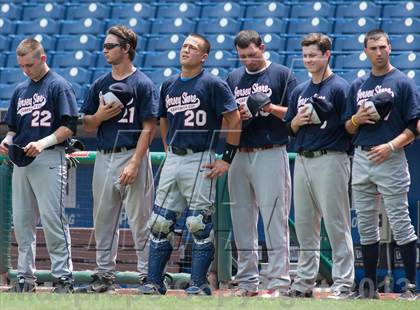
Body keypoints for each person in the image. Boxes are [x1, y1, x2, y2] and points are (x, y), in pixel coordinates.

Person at [138, 33, 241, 296]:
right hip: (174, 157)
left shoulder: (213, 84)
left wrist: (226, 158)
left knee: (198, 223)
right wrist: (169, 148)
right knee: (160, 222)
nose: (185, 50)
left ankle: (198, 283)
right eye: (184, 46)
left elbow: (234, 118)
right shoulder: (169, 84)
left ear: (204, 56)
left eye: (192, 48)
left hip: (200, 157)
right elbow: (163, 119)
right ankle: (153, 281)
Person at [80, 25, 159, 293]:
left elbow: (150, 127)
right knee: (102, 221)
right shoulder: (99, 84)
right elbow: (87, 125)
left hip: (131, 153)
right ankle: (105, 276)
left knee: (140, 220)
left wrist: (136, 162)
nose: (105, 50)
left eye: (110, 46)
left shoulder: (143, 83)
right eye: (104, 46)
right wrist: (100, 116)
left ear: (126, 49)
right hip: (104, 156)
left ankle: (148, 276)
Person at [344, 29, 420, 300]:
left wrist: (391, 146)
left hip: (390, 155)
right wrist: (356, 120)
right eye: (373, 48)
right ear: (365, 51)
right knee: (364, 224)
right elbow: (347, 128)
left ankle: (412, 284)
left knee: (400, 221)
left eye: (382, 47)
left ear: (390, 47)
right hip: (362, 157)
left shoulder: (403, 82)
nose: (378, 52)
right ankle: (368, 287)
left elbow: (415, 126)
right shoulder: (358, 85)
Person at [0, 38, 78, 293]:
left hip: (49, 157)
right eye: (21, 66)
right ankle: (25, 278)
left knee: (53, 219)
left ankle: (64, 277)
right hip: (21, 159)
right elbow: (13, 129)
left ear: (42, 59)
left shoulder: (58, 85)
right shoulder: (20, 90)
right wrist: (6, 140)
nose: (25, 70)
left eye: (29, 65)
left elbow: (69, 127)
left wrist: (43, 143)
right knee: (22, 222)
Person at [225, 30, 297, 297]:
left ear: (262, 48)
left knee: (274, 220)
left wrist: (267, 107)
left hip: (270, 150)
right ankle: (247, 282)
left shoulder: (281, 74)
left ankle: (278, 282)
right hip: (240, 153)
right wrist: (239, 114)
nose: (248, 60)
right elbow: (225, 117)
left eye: (252, 54)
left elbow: (295, 114)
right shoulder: (233, 78)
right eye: (242, 56)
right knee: (242, 221)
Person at [285, 33, 354, 299]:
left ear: (327, 55)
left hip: (331, 157)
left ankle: (343, 284)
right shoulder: (299, 91)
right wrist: (298, 121)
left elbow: (349, 126)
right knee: (304, 226)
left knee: (336, 224)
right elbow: (289, 127)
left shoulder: (340, 87)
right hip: (303, 159)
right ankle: (303, 283)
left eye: (313, 55)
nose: (308, 60)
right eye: (305, 55)